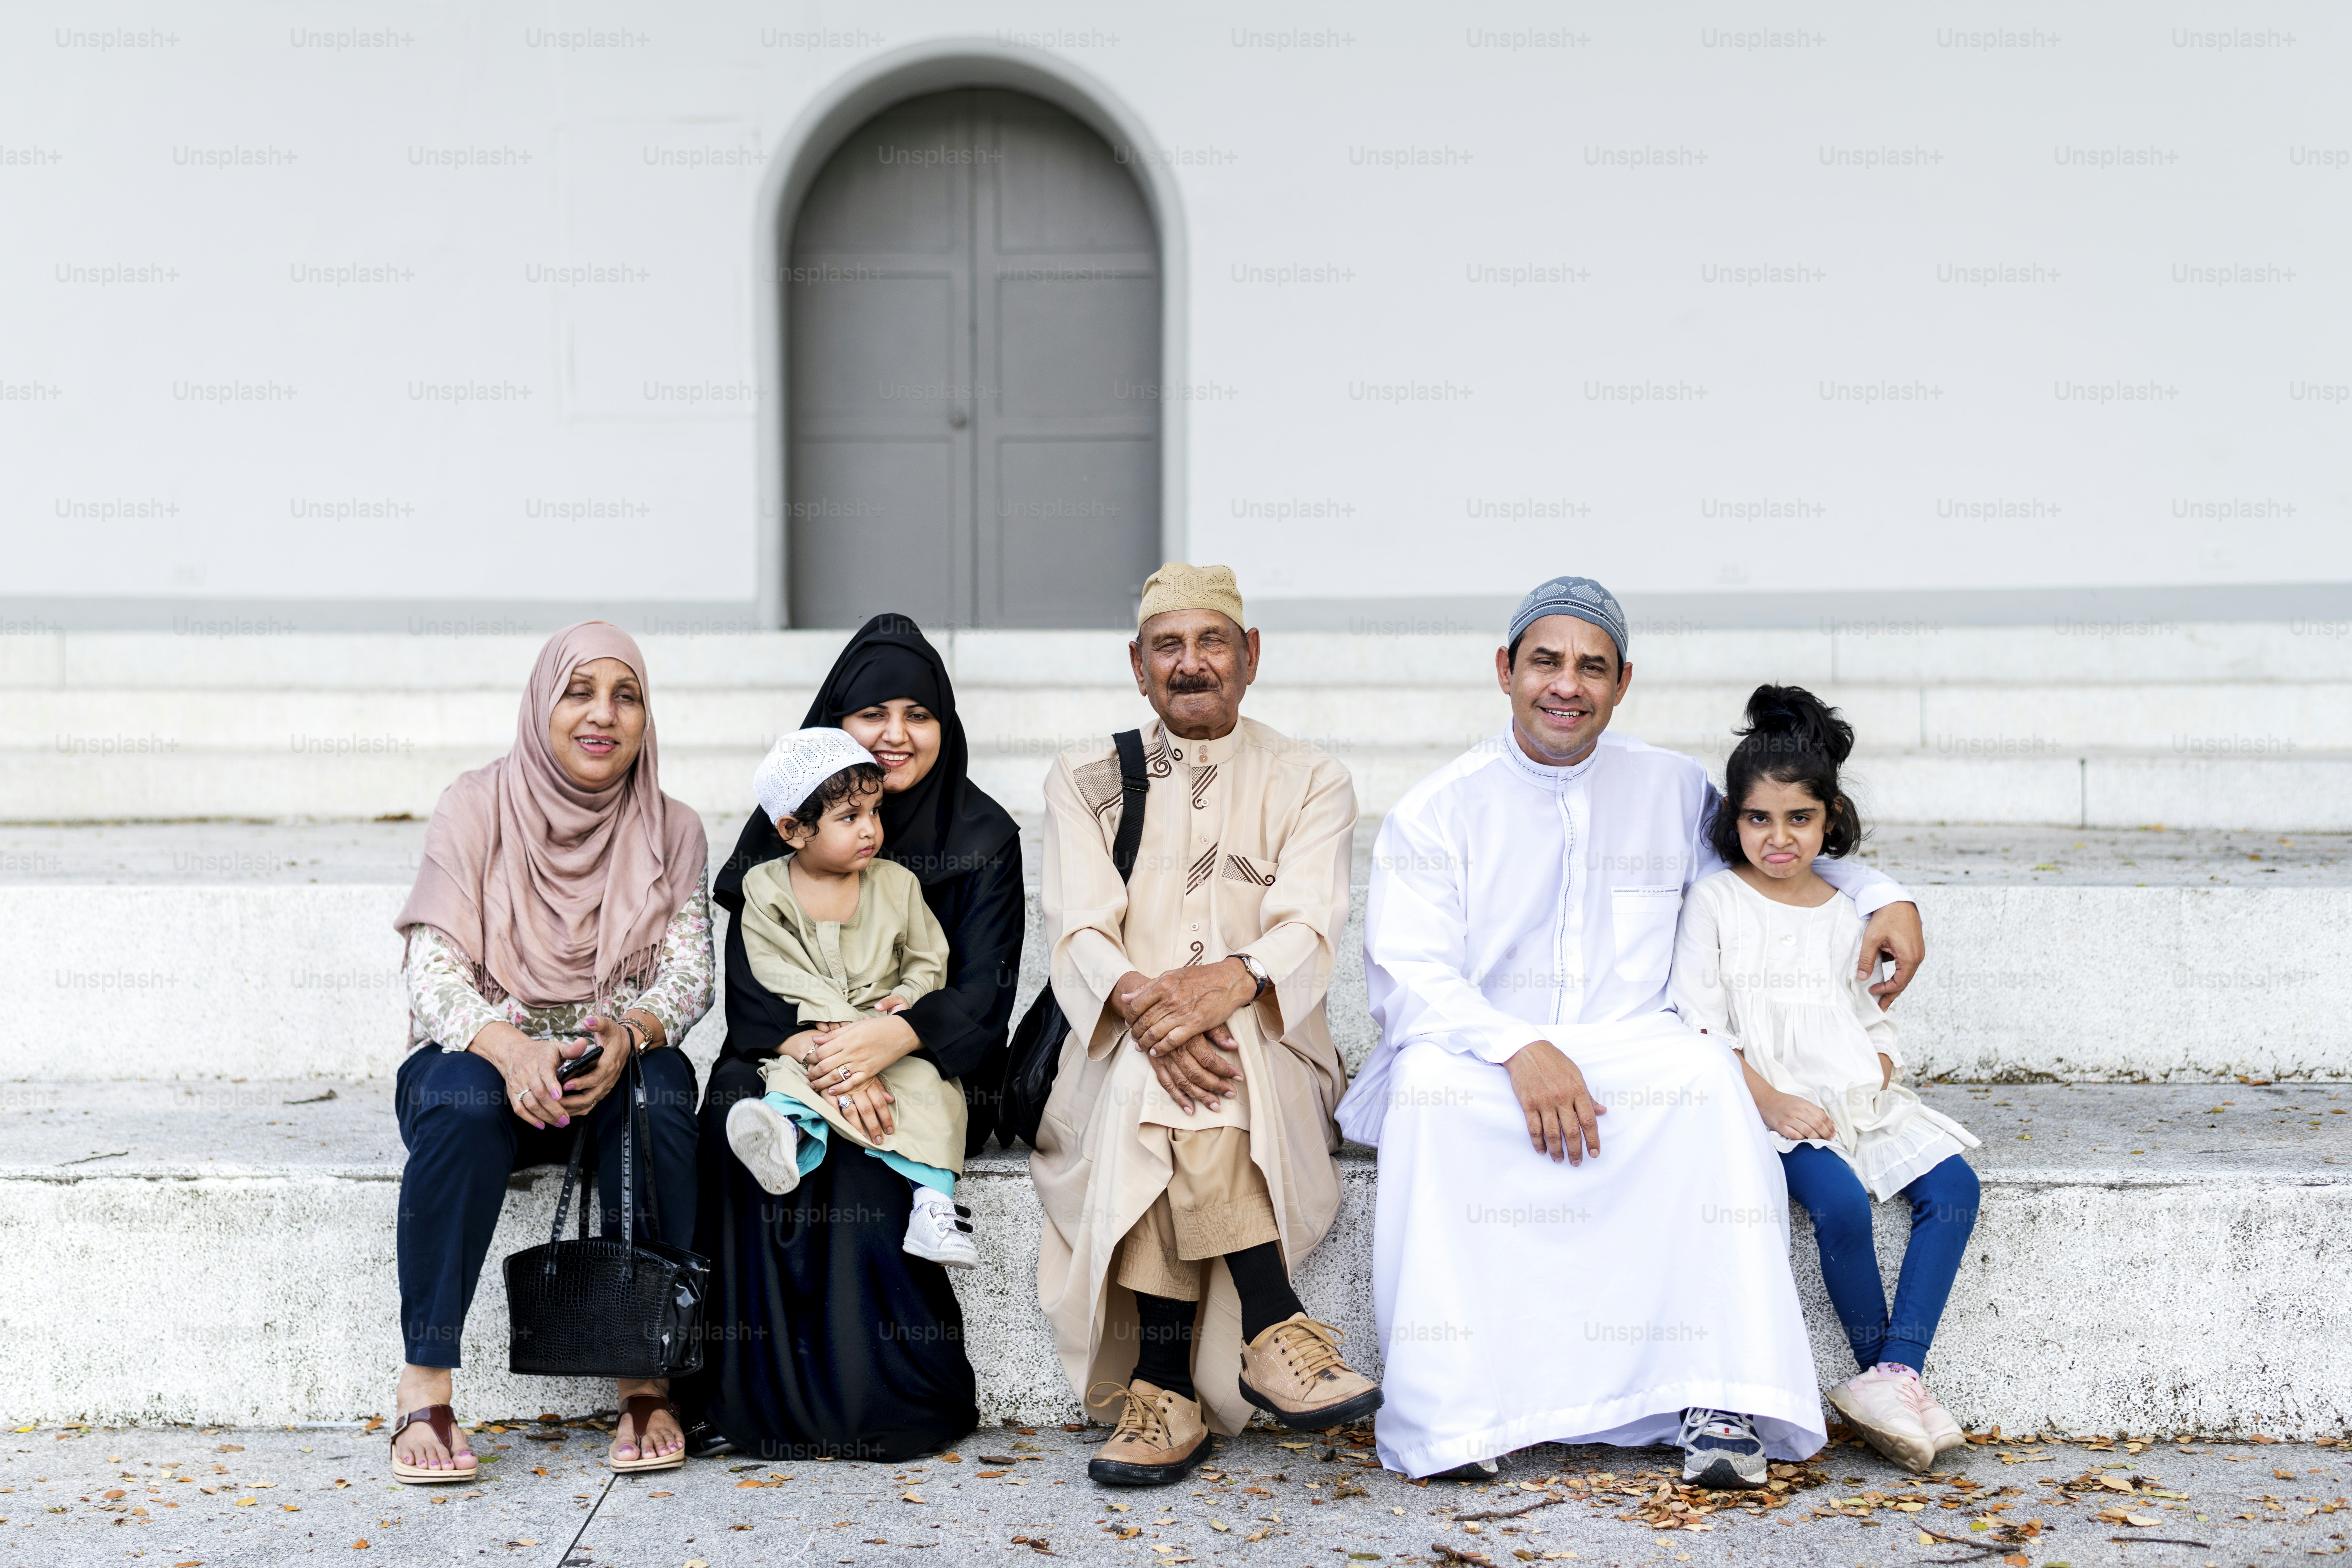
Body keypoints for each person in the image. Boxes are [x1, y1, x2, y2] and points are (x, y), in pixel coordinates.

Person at [1338, 576, 1928, 1487]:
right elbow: (1409, 974)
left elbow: (1774, 854)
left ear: (1622, 683)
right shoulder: (1439, 807)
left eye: (1591, 666)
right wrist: (1517, 1048)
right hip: (1482, 1051)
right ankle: (1457, 1412)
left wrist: (1884, 895)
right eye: (1545, 661)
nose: (1565, 684)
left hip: (1636, 1043)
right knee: (1427, 1093)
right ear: (1505, 671)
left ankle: (1715, 1394)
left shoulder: (1671, 787)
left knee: (1704, 1082)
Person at [1034, 563, 1380, 1489]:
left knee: (1200, 1063)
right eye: (1168, 647)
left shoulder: (1313, 778)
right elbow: (1078, 931)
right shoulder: (1086, 777)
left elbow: (1309, 931)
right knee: (1169, 1070)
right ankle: (1273, 1324)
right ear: (1138, 666)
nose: (1191, 665)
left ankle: (1161, 1388)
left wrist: (1222, 987)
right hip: (1117, 1048)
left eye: (1212, 641)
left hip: (1272, 1048)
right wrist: (1157, 1012)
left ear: (1251, 655)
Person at [680, 615, 1023, 1463]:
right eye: (874, 714)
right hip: (793, 1052)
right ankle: (745, 1401)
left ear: (947, 725)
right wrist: (831, 1053)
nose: (897, 735)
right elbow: (753, 988)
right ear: (837, 721)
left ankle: (885, 1403)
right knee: (733, 1111)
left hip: (928, 1065)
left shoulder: (984, 839)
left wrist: (892, 1038)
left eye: (920, 713)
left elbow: (984, 993)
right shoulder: (782, 829)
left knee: (867, 1163)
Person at [389, 621, 712, 1481]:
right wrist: (510, 1048)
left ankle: (646, 1375)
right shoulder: (475, 804)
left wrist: (629, 1035)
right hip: (479, 1064)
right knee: (463, 1099)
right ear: (543, 704)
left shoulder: (673, 830)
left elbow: (687, 977)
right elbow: (432, 969)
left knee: (663, 1092)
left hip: (601, 1071)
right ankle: (425, 1380)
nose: (602, 713)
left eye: (627, 694)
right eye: (580, 690)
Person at [1671, 684, 1981, 1473]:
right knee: (1838, 1203)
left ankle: (1895, 1371)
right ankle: (1885, 1370)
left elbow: (1870, 1013)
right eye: (1757, 819)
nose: (1778, 838)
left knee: (1953, 1189)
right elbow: (1701, 1021)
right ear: (1731, 821)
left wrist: (1877, 1066)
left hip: (1855, 1098)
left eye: (1799, 819)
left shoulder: (1847, 908)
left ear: (1829, 820)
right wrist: (1770, 1099)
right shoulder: (1714, 901)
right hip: (1771, 1105)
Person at [724, 727, 979, 1269]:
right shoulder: (765, 890)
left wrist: (907, 999)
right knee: (791, 1078)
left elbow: (928, 958)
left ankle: (934, 1207)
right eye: (849, 817)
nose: (871, 830)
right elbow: (774, 968)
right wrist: (841, 1032)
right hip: (816, 1032)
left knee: (936, 1091)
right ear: (793, 829)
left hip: (887, 1035)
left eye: (876, 812)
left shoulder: (898, 885)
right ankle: (785, 1138)